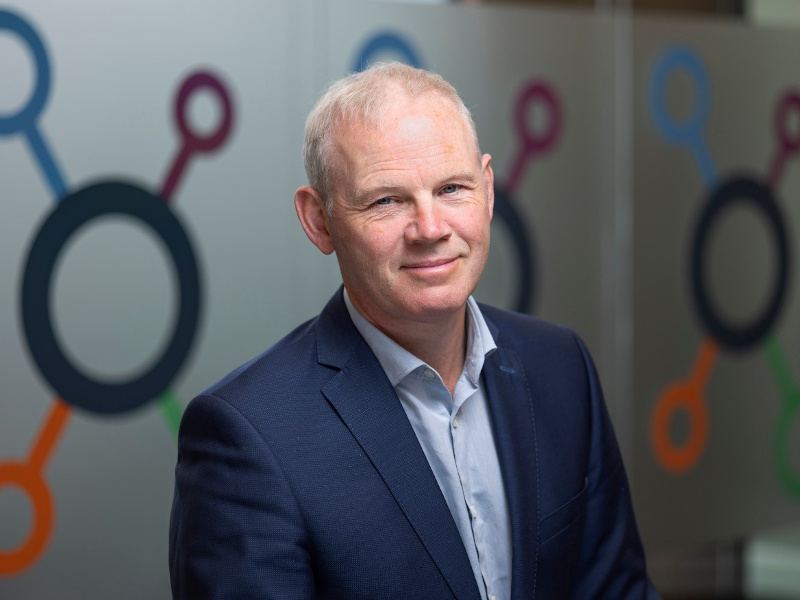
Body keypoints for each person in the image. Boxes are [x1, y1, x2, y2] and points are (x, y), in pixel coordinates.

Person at [169, 62, 657, 599]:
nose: (430, 229)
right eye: (387, 200)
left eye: (452, 188)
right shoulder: (248, 436)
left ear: (488, 191)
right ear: (319, 220)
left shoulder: (560, 366)